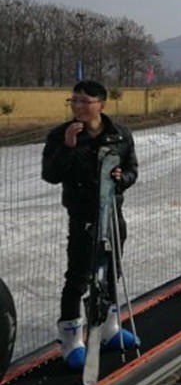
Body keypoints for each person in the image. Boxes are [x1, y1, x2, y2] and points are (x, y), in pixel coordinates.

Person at [42, 80, 139, 369]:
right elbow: (50, 174)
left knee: (111, 270)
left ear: (102, 104)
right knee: (80, 275)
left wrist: (123, 178)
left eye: (85, 101)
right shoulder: (61, 135)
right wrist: (69, 147)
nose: (78, 107)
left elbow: (133, 170)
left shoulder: (120, 135)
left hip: (112, 213)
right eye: (74, 101)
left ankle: (107, 327)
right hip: (83, 215)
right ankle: (71, 337)